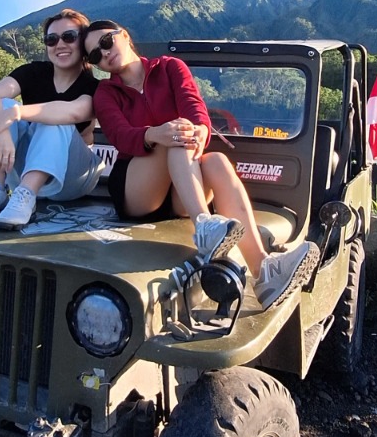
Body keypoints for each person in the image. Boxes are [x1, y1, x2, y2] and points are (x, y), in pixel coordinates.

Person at [84, 20, 319, 312]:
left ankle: (264, 272)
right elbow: (120, 136)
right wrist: (156, 133)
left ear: (124, 36)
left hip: (181, 187)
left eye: (106, 42)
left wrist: (201, 131)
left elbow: (194, 107)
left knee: (217, 160)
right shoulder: (106, 93)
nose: (104, 54)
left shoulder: (169, 68)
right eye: (95, 55)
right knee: (176, 133)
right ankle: (205, 226)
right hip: (137, 186)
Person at [0, 9, 101, 229]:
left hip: (74, 178)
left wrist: (16, 114)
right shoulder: (34, 72)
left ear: (83, 42)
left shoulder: (94, 87)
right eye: (51, 39)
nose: (59, 44)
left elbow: (73, 112)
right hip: (25, 172)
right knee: (4, 103)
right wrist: (1, 133)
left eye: (69, 37)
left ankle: (27, 194)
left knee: (54, 117)